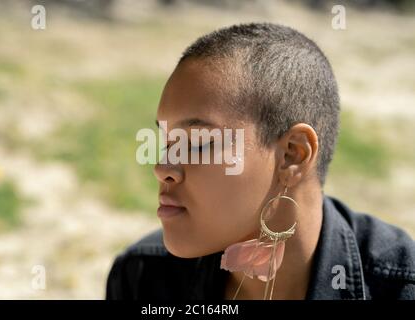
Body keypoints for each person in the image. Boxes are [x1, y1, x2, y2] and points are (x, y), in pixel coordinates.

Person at [106, 23, 415, 300]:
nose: (162, 168)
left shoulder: (400, 286)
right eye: (166, 141)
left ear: (293, 155)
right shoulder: (143, 278)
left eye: (198, 142)